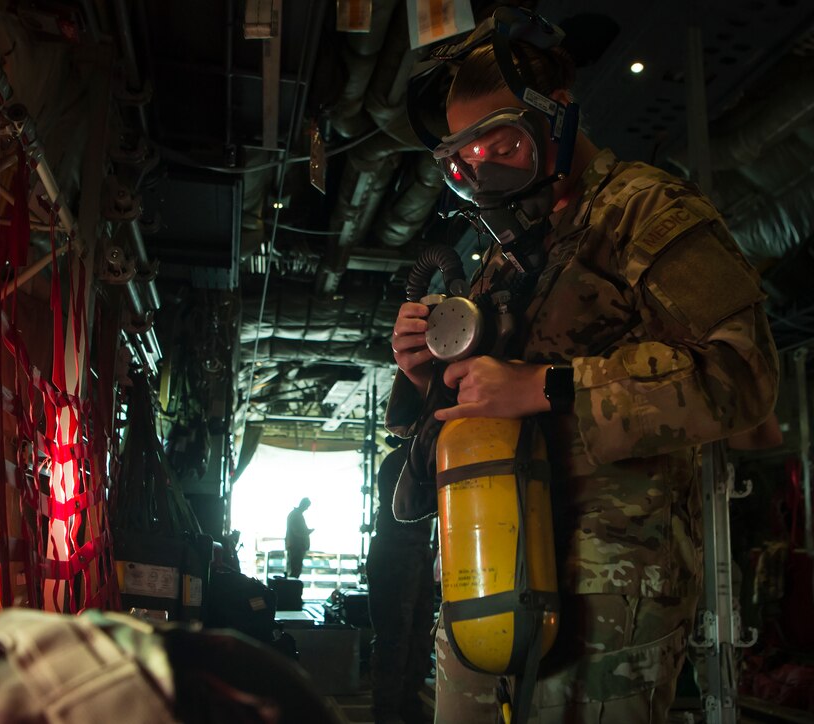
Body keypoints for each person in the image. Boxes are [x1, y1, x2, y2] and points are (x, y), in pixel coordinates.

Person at [387, 9, 779, 723]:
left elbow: (740, 374)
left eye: (500, 142)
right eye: (463, 162)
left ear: (555, 118)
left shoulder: (644, 211)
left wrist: (547, 387)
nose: (486, 170)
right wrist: (428, 379)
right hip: (490, 570)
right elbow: (480, 405)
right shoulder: (507, 254)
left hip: (607, 591)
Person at [366, 441, 436, 724]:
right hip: (395, 551)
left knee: (419, 636)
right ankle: (387, 711)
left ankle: (406, 704)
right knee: (394, 638)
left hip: (415, 551)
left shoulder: (412, 460)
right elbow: (412, 506)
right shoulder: (401, 463)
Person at [285, 498, 314, 579]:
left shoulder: (295, 514)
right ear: (303, 505)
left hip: (294, 546)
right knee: (295, 570)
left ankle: (291, 589)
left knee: (294, 569)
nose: (307, 508)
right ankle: (292, 590)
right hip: (296, 546)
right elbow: (297, 531)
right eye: (307, 506)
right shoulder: (296, 515)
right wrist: (307, 532)